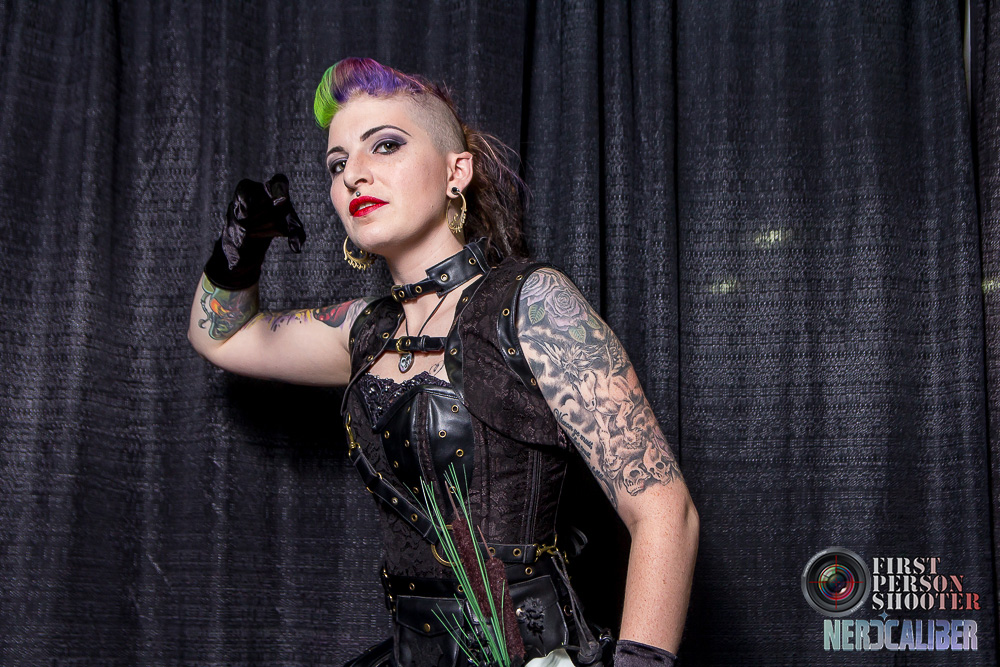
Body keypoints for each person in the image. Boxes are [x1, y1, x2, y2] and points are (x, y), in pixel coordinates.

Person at [187, 58, 698, 667]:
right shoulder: (364, 331)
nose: (355, 175)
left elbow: (665, 511)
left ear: (456, 172)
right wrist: (240, 249)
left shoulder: (531, 304)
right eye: (337, 164)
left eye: (386, 145)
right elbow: (222, 336)